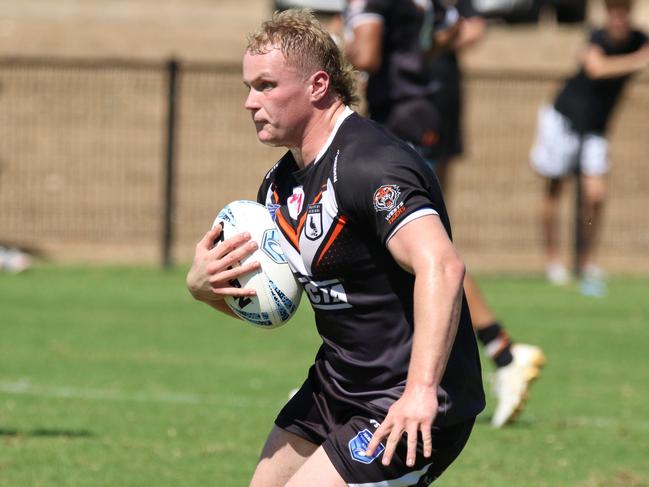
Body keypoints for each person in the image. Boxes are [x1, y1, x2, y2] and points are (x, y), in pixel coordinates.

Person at [187, 9, 485, 486]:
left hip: (404, 399)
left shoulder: (373, 165)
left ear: (318, 85)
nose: (249, 102)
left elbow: (444, 267)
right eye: (248, 86)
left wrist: (420, 391)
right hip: (337, 387)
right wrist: (207, 289)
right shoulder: (280, 185)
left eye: (265, 86)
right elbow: (280, 303)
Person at [344, 0, 545, 428]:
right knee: (406, 248)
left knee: (426, 251)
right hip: (420, 113)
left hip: (399, 122)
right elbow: (446, 34)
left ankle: (502, 351)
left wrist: (326, 49)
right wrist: (414, 52)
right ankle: (372, 375)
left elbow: (366, 54)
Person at [530, 0, 649, 295]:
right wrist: (638, 60)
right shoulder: (597, 37)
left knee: (595, 194)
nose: (619, 17)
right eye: (614, 11)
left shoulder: (639, 40)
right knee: (555, 191)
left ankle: (587, 262)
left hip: (596, 128)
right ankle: (553, 261)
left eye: (624, 11)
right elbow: (595, 68)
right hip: (564, 119)